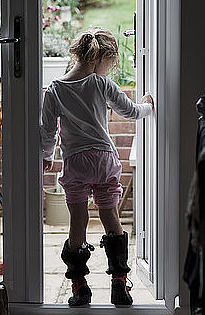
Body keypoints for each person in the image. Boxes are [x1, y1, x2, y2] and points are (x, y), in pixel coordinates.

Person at [40, 27, 155, 307]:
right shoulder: (101, 84)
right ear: (102, 59)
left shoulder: (55, 89)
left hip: (75, 162)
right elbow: (130, 111)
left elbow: (46, 131)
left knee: (77, 221)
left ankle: (79, 287)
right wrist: (148, 105)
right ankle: (119, 286)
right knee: (110, 216)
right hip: (103, 159)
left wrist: (47, 155)